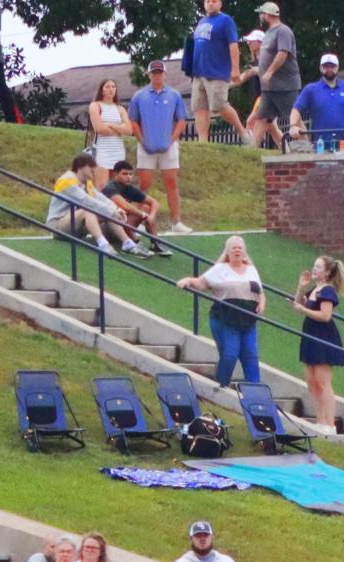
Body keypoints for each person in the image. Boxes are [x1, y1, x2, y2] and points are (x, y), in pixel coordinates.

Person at [178, 235, 265, 386]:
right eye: (234, 248)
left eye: (240, 247)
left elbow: (260, 292)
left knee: (251, 356)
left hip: (248, 320)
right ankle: (221, 383)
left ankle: (256, 392)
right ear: (227, 252)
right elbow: (201, 283)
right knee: (230, 353)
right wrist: (187, 280)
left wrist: (262, 304)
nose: (237, 250)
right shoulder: (220, 269)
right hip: (226, 318)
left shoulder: (252, 270)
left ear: (245, 252)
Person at [130, 59, 189, 232]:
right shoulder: (139, 96)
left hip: (168, 147)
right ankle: (137, 222)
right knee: (144, 184)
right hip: (146, 147)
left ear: (164, 74)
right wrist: (142, 140)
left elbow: (181, 120)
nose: (157, 76)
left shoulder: (174, 95)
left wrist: (172, 140)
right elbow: (133, 121)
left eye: (160, 72)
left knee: (171, 183)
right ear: (149, 75)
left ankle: (176, 222)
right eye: (154, 73)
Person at [47, 152, 143, 254]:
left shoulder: (86, 181)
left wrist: (115, 209)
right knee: (88, 209)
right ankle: (103, 244)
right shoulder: (67, 181)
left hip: (76, 227)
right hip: (58, 227)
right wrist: (111, 210)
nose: (94, 169)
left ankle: (127, 242)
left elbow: (100, 197)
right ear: (81, 167)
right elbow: (86, 201)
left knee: (107, 210)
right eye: (91, 166)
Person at [293, 254, 344, 431]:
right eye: (314, 266)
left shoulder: (327, 291)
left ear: (327, 272)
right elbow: (298, 303)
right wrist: (301, 287)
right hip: (310, 334)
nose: (314, 269)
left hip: (323, 336)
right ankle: (320, 420)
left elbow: (325, 316)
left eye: (318, 267)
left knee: (323, 381)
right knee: (312, 380)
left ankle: (330, 424)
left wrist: (303, 309)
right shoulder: (315, 289)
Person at [185, 0, 246, 151]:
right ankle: (202, 143)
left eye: (214, 1)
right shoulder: (201, 22)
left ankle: (242, 131)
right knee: (199, 107)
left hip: (217, 72)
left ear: (220, 4)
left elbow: (233, 45)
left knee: (219, 105)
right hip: (198, 72)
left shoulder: (226, 20)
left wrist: (235, 69)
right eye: (207, 1)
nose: (210, 4)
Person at [245, 2, 301, 149]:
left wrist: (269, 72)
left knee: (294, 119)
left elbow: (283, 53)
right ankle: (251, 152)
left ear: (268, 15)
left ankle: (307, 150)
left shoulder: (283, 31)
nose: (260, 16)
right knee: (262, 118)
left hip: (285, 87)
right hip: (269, 89)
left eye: (261, 14)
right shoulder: (269, 33)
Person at [290, 53, 344, 153]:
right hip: (321, 147)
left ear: (337, 67)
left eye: (332, 66)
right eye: (326, 66)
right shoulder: (310, 89)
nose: (329, 69)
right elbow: (296, 109)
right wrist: (293, 126)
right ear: (321, 68)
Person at [100, 161, 170, 252]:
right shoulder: (110, 188)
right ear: (115, 174)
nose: (128, 177)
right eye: (124, 174)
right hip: (108, 228)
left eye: (130, 174)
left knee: (146, 208)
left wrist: (151, 216)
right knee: (121, 213)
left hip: (122, 226)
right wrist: (144, 215)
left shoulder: (129, 188)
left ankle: (155, 243)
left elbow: (154, 203)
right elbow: (125, 206)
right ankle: (134, 242)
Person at [85, 77, 131, 170]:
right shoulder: (95, 105)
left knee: (116, 183)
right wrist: (120, 129)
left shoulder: (120, 108)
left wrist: (111, 125)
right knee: (102, 184)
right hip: (102, 151)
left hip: (118, 151)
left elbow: (129, 130)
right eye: (108, 87)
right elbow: (99, 129)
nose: (111, 89)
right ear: (101, 90)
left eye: (113, 87)